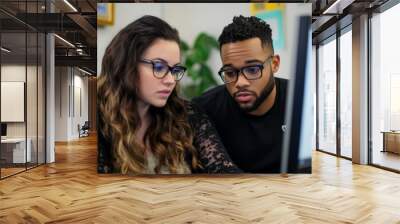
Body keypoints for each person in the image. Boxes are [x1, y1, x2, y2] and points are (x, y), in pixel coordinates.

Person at [97, 15, 241, 174]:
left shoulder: (188, 115)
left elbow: (227, 174)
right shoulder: (97, 121)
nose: (171, 80)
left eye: (175, 70)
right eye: (159, 67)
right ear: (126, 65)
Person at [193, 15, 287, 173]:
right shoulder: (204, 110)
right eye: (230, 72)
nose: (240, 83)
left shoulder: (300, 100)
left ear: (274, 64)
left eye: (252, 70)